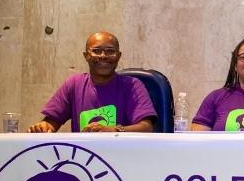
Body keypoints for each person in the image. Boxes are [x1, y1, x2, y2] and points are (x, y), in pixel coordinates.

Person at [27, 32, 156, 133]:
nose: (103, 56)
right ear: (86, 56)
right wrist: (44, 127)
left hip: (121, 160)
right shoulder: (74, 84)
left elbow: (146, 127)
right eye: (96, 51)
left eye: (110, 51)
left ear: (118, 56)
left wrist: (114, 130)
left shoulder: (133, 86)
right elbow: (51, 122)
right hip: (84, 162)